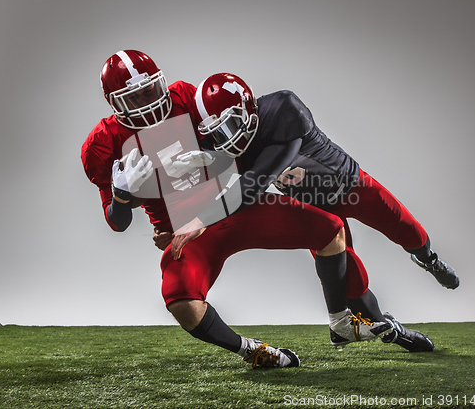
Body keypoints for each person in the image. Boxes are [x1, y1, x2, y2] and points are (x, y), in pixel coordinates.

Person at [81, 50, 393, 370]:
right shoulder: (102, 144)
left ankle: (341, 321)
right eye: (136, 96)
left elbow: (237, 149)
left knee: (331, 229)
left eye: (152, 89)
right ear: (115, 103)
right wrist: (121, 195)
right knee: (181, 301)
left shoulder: (186, 97)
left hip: (233, 204)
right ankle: (251, 351)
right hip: (186, 233)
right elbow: (117, 223)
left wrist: (214, 160)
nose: (149, 101)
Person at [174, 72, 460, 350]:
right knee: (353, 289)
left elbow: (253, 184)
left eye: (232, 125)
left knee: (408, 230)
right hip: (317, 210)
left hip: (351, 186)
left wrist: (202, 214)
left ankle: (429, 259)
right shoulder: (222, 145)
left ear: (248, 108)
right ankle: (393, 331)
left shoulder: (284, 109)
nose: (229, 138)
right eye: (219, 132)